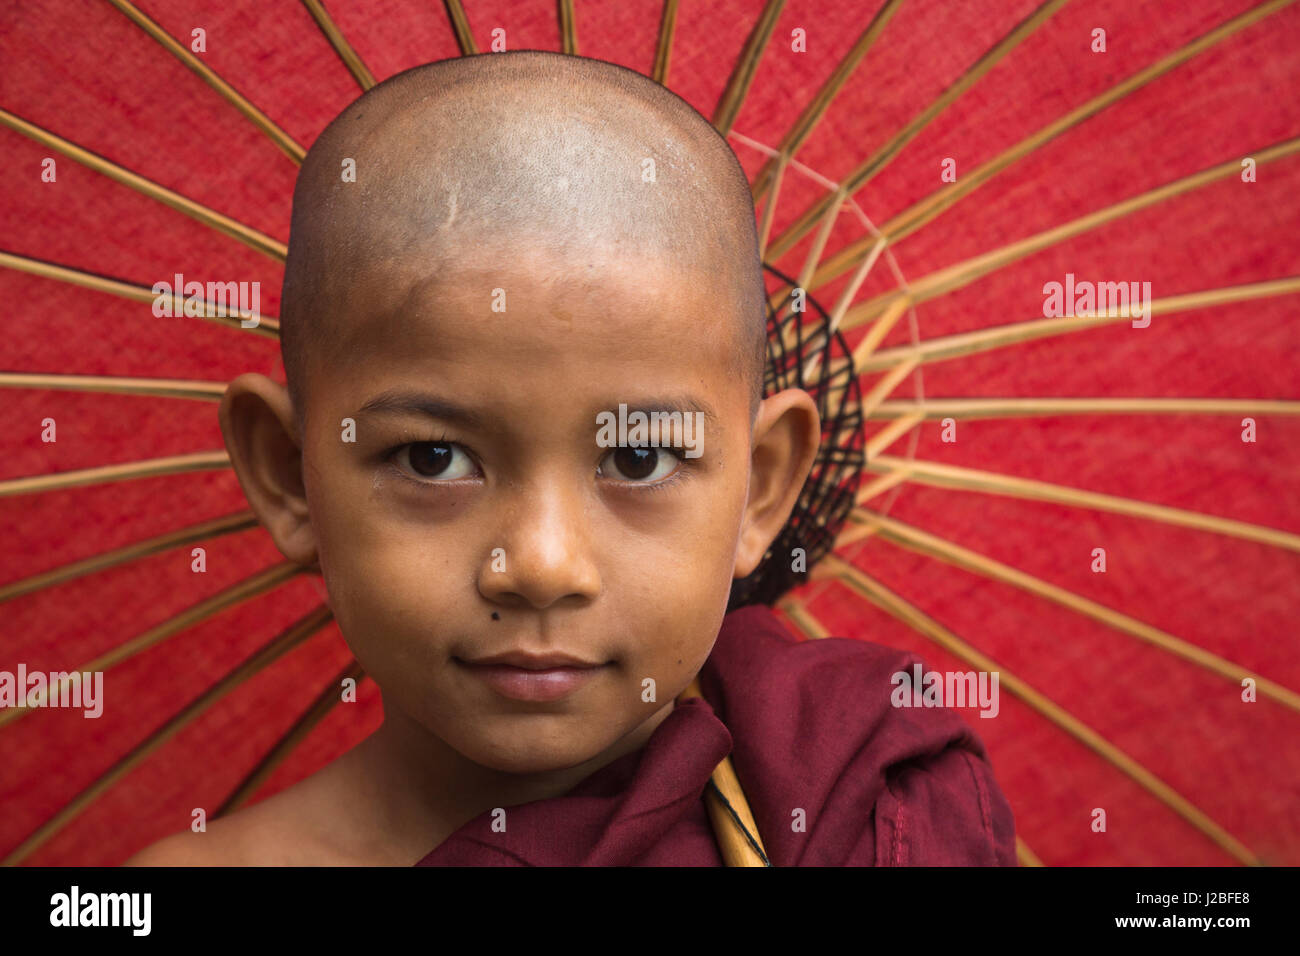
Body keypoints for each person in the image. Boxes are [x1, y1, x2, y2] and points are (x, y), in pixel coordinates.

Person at [125, 49, 1015, 866]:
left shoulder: (853, 806)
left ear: (763, 485)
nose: (542, 565)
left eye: (635, 458)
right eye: (434, 459)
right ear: (288, 473)